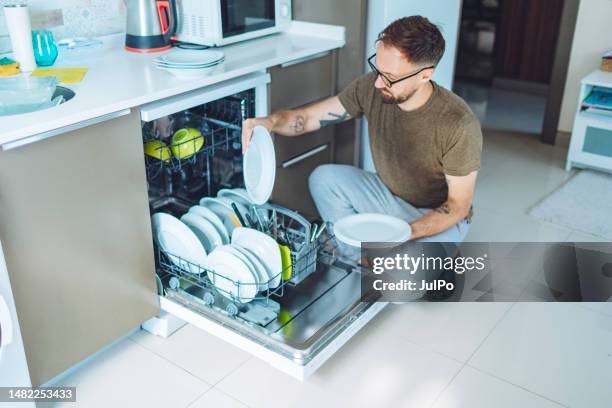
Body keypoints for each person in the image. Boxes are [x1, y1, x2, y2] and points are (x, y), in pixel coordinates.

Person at [241, 16, 482, 243]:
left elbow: (457, 207)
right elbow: (307, 118)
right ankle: (355, 260)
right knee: (325, 179)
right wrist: (270, 122)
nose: (377, 82)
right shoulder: (371, 88)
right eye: (377, 69)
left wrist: (401, 235)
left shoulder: (458, 123)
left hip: (437, 216)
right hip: (388, 197)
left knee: (402, 275)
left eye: (389, 77)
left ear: (424, 76)